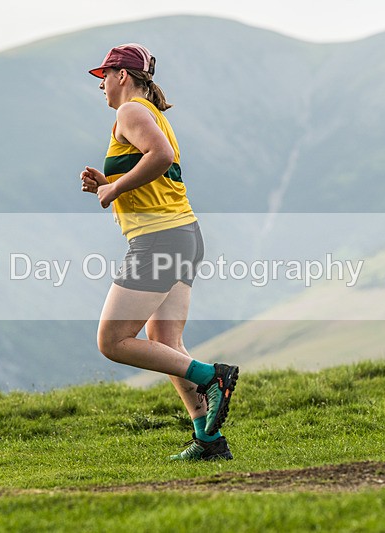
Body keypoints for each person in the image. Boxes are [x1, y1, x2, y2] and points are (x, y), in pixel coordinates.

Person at [80, 43, 239, 461]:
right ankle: (208, 440)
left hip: (160, 240)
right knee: (164, 340)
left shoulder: (129, 112)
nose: (101, 85)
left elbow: (160, 156)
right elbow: (157, 171)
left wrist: (114, 187)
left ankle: (212, 376)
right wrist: (107, 184)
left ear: (123, 76)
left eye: (105, 76)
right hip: (184, 235)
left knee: (113, 341)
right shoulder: (152, 116)